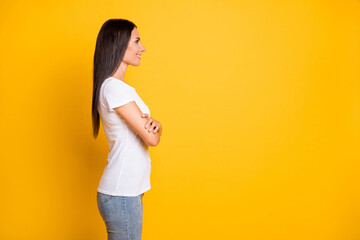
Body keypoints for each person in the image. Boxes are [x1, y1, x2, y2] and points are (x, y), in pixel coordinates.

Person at [91, 19, 162, 240]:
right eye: (137, 41)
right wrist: (155, 130)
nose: (143, 48)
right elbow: (151, 138)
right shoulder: (114, 88)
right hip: (121, 192)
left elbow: (152, 132)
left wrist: (158, 126)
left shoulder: (117, 88)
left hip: (125, 191)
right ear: (119, 44)